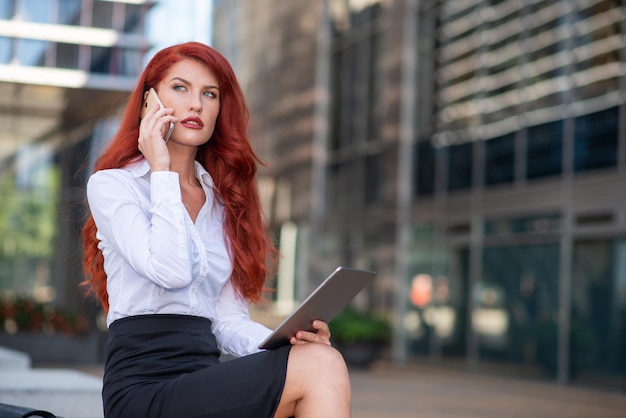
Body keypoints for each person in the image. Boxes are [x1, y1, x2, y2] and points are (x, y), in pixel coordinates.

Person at [82, 42, 351, 418]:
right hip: (142, 389)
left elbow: (226, 322)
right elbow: (171, 271)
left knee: (319, 358)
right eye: (180, 88)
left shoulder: (223, 203)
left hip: (204, 380)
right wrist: (161, 171)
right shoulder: (113, 186)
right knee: (322, 369)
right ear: (149, 102)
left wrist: (289, 340)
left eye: (209, 94)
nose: (196, 104)